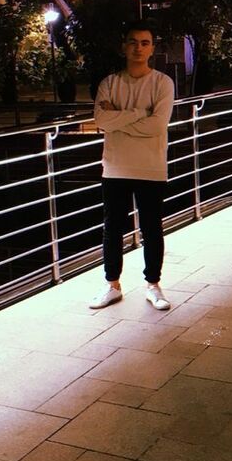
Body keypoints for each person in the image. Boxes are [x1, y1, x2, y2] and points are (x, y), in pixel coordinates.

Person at [89, 22, 175, 311]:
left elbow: (157, 125)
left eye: (144, 43)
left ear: (152, 48)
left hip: (151, 167)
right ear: (123, 47)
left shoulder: (162, 83)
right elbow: (101, 120)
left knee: (152, 228)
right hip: (115, 167)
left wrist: (119, 120)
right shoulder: (109, 83)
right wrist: (140, 113)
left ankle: (153, 284)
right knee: (112, 228)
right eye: (133, 42)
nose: (138, 48)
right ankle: (112, 285)